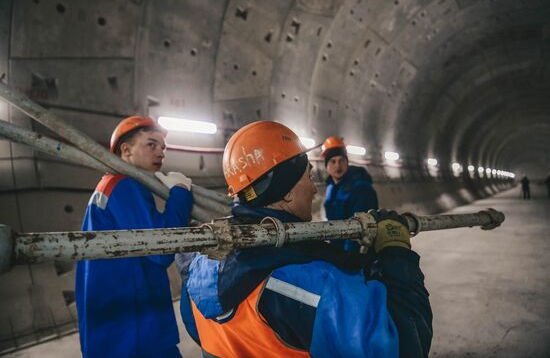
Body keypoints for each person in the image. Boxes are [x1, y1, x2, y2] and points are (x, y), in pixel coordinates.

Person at [176, 121, 432, 358]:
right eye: (308, 176)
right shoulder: (313, 284)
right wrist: (397, 255)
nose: (314, 188)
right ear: (286, 192)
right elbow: (404, 344)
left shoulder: (199, 265)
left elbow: (195, 328)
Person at [75, 116, 193, 358]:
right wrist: (180, 193)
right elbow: (160, 248)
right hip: (135, 331)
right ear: (126, 151)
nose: (161, 151)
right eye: (151, 144)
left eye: (163, 147)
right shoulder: (123, 185)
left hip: (119, 328)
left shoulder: (110, 185)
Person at [322, 136, 379, 252]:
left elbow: (361, 229)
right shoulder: (330, 188)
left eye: (341, 160)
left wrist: (347, 259)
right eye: (333, 161)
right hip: (337, 250)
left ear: (347, 162)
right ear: (326, 166)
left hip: (354, 255)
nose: (338, 166)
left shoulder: (361, 188)